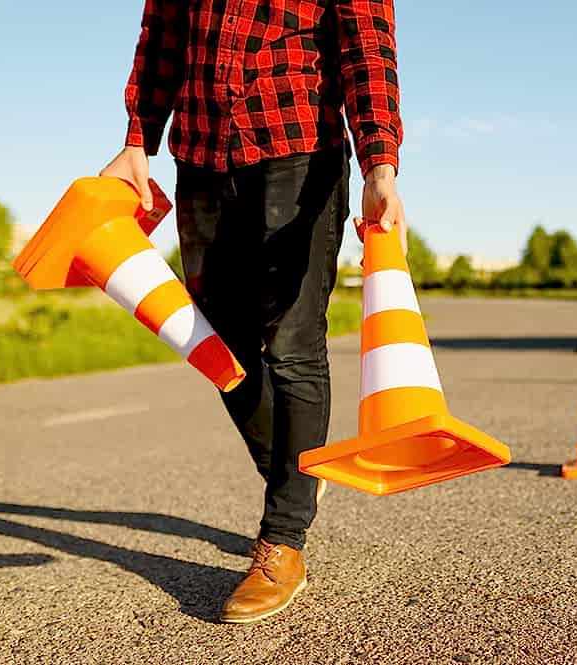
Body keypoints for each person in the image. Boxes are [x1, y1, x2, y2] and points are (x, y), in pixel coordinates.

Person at [100, 0, 405, 623]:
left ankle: (283, 539)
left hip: (298, 150)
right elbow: (161, 36)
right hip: (202, 156)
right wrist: (138, 138)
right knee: (221, 348)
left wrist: (379, 163)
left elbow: (365, 49)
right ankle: (301, 473)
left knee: (291, 344)